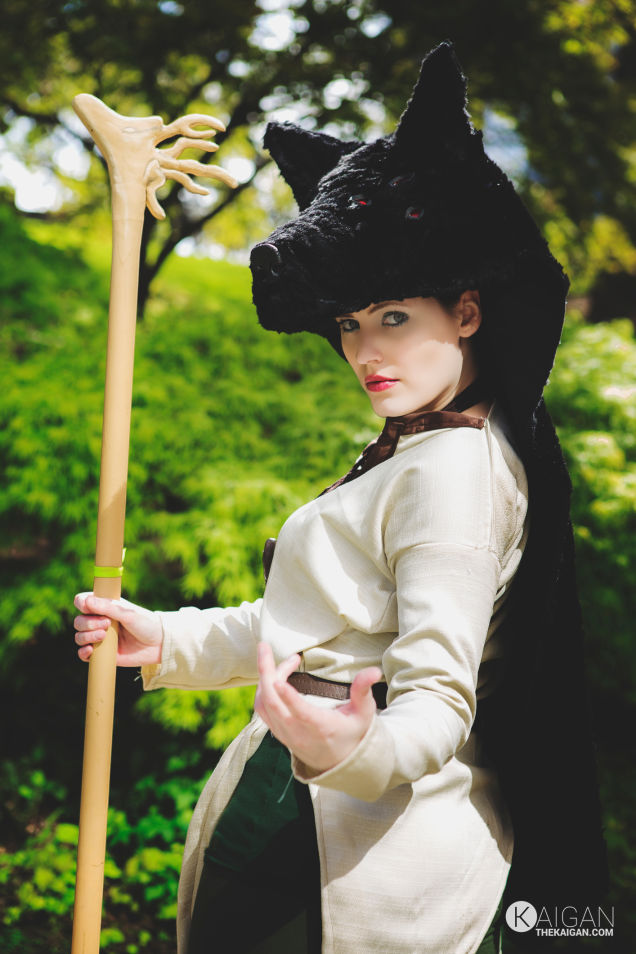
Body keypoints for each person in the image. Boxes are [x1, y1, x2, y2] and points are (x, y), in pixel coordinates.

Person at [74, 42, 607, 954]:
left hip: (346, 855)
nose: (367, 351)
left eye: (395, 316)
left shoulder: (454, 471)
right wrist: (165, 638)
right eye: (353, 324)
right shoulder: (422, 441)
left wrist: (352, 747)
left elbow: (437, 701)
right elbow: (318, 627)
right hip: (290, 810)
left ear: (467, 311)